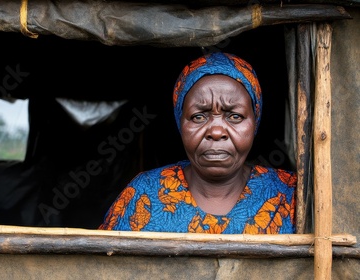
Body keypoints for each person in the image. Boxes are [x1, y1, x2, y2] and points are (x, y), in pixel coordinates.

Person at [99, 52, 296, 234]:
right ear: (180, 123)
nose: (216, 132)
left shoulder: (289, 194)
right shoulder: (145, 193)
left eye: (235, 116)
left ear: (255, 123)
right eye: (199, 117)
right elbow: (100, 267)